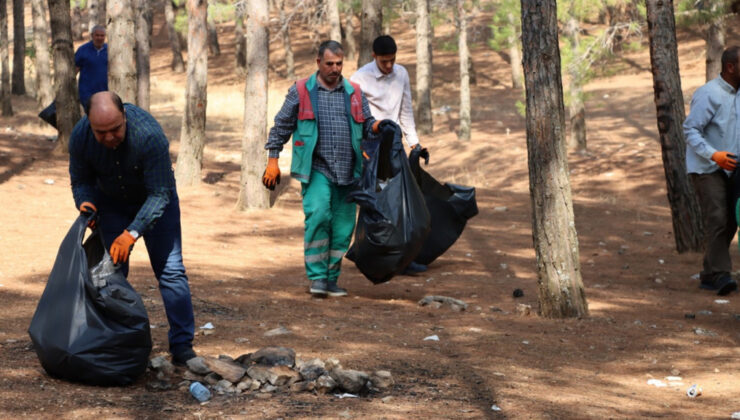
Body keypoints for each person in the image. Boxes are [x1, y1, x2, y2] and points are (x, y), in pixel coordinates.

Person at [69, 91, 197, 365]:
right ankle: (115, 340)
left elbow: (161, 193)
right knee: (109, 273)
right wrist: (86, 203)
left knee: (171, 271)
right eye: (100, 132)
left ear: (124, 116)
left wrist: (132, 233)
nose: (109, 137)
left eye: (115, 129)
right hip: (112, 204)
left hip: (156, 202)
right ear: (90, 124)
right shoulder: (80, 136)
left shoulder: (149, 136)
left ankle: (182, 346)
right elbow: (80, 180)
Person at [263, 40, 385, 297]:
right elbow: (281, 126)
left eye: (339, 63)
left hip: (350, 171)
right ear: (318, 62)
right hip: (317, 169)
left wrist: (377, 127)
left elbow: (367, 123)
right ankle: (317, 278)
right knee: (318, 217)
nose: (335, 68)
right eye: (329, 63)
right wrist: (273, 160)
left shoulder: (354, 92)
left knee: (343, 227)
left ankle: (331, 278)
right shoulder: (301, 91)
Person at [351, 35, 428, 275]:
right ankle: (372, 255)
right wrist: (361, 149)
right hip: (372, 146)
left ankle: (403, 258)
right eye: (384, 61)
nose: (389, 66)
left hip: (394, 144)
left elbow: (405, 111)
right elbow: (355, 119)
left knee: (400, 201)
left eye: (392, 60)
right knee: (378, 202)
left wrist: (414, 144)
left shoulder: (401, 74)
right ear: (374, 56)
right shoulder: (359, 79)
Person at [683, 46, 740, 296]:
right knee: (717, 217)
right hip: (707, 168)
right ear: (731, 67)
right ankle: (720, 274)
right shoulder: (709, 93)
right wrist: (713, 154)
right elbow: (690, 130)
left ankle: (708, 273)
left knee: (731, 222)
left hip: (734, 168)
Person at [75, 25, 108, 114]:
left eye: (102, 35)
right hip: (87, 93)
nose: (100, 38)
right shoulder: (83, 50)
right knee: (91, 118)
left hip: (106, 94)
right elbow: (74, 70)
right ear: (92, 35)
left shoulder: (109, 50)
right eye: (97, 35)